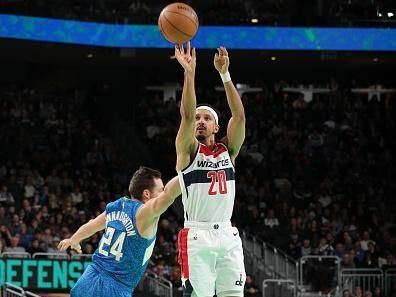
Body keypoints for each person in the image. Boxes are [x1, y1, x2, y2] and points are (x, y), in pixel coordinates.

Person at [173, 42, 246, 297]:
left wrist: (224, 74)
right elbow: (186, 114)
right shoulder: (188, 150)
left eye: (207, 118)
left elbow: (239, 117)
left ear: (216, 127)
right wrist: (189, 73)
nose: (200, 121)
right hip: (197, 235)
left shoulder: (229, 151)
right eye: (198, 118)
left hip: (227, 234)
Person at [58, 166, 181, 297]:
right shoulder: (144, 214)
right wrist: (193, 170)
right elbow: (169, 195)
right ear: (146, 194)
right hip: (115, 289)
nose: (162, 193)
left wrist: (73, 240)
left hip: (88, 279)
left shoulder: (116, 206)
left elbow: (91, 225)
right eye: (160, 190)